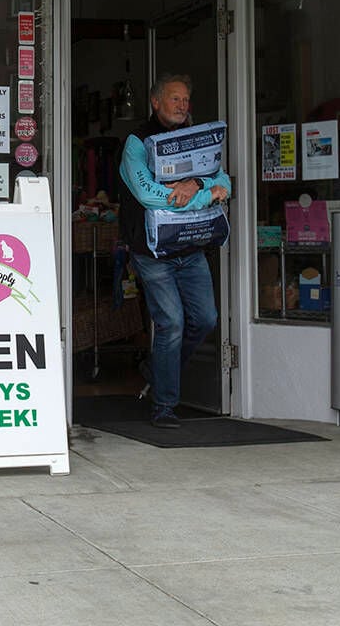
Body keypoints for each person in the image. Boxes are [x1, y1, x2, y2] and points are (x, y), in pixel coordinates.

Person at [117, 73, 231, 429]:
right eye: (174, 99)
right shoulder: (137, 142)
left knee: (207, 319)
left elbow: (223, 181)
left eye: (185, 100)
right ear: (155, 102)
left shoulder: (194, 139)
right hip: (151, 252)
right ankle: (164, 404)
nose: (182, 106)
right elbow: (148, 195)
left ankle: (156, 369)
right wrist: (199, 198)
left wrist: (196, 182)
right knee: (171, 324)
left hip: (191, 247)